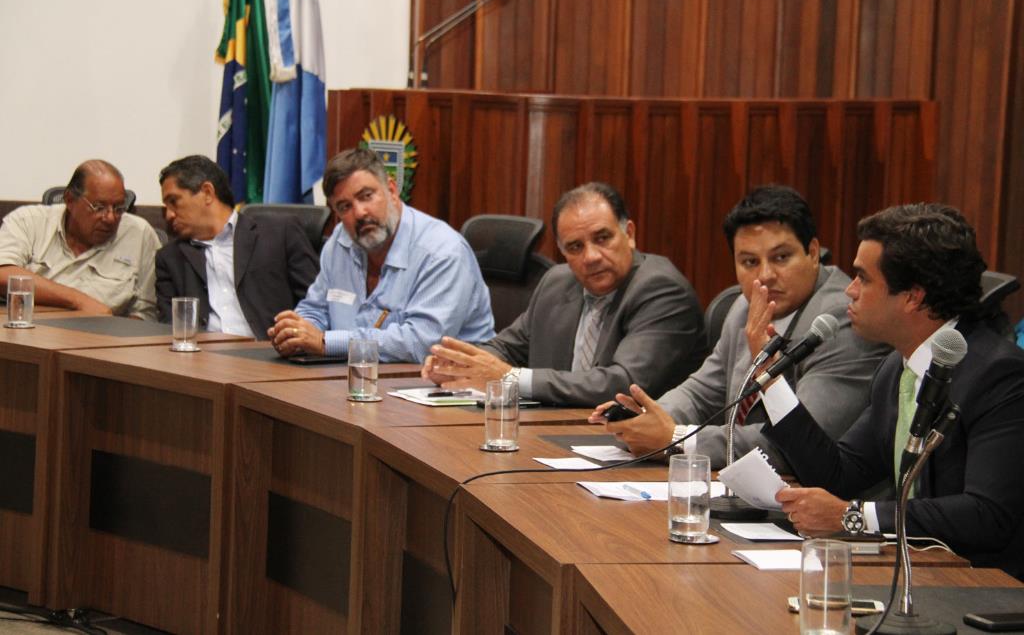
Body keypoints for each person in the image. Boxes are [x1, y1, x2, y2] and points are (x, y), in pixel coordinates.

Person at [764, 204, 1024, 577]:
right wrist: (771, 382)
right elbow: (840, 474)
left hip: (982, 587)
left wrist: (854, 515)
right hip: (915, 574)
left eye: (863, 278)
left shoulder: (998, 375)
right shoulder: (896, 368)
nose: (850, 291)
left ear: (912, 297)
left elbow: (987, 515)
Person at [589, 186, 888, 469]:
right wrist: (646, 418)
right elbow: (701, 393)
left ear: (812, 252)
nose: (765, 275)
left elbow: (800, 443)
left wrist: (676, 439)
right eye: (749, 262)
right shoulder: (745, 306)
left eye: (781, 257)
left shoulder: (839, 321)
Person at [422, 182, 707, 406]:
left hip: (636, 447)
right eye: (575, 247)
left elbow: (623, 383)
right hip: (558, 433)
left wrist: (510, 378)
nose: (591, 256)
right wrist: (459, 366)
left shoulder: (660, 289)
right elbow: (507, 348)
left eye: (602, 238)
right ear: (562, 252)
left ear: (629, 234)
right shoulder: (557, 282)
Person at [268, 147, 493, 362]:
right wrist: (296, 333)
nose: (359, 213)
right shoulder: (340, 242)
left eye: (366, 196)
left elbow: (422, 343)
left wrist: (326, 342)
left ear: (392, 191)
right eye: (345, 206)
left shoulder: (441, 251)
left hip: (445, 382)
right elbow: (317, 309)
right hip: (355, 377)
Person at [155, 155, 319, 339]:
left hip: (269, 349)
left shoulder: (279, 233)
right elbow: (169, 327)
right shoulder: (170, 258)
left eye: (174, 201)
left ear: (207, 192)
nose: (169, 215)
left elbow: (316, 304)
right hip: (201, 353)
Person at [0, 159, 159, 319]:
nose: (110, 218)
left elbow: (145, 313)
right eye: (99, 207)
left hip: (103, 331)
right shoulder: (28, 221)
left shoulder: (139, 234)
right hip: (30, 327)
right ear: (70, 200)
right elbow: (3, 273)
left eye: (119, 208)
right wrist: (78, 300)